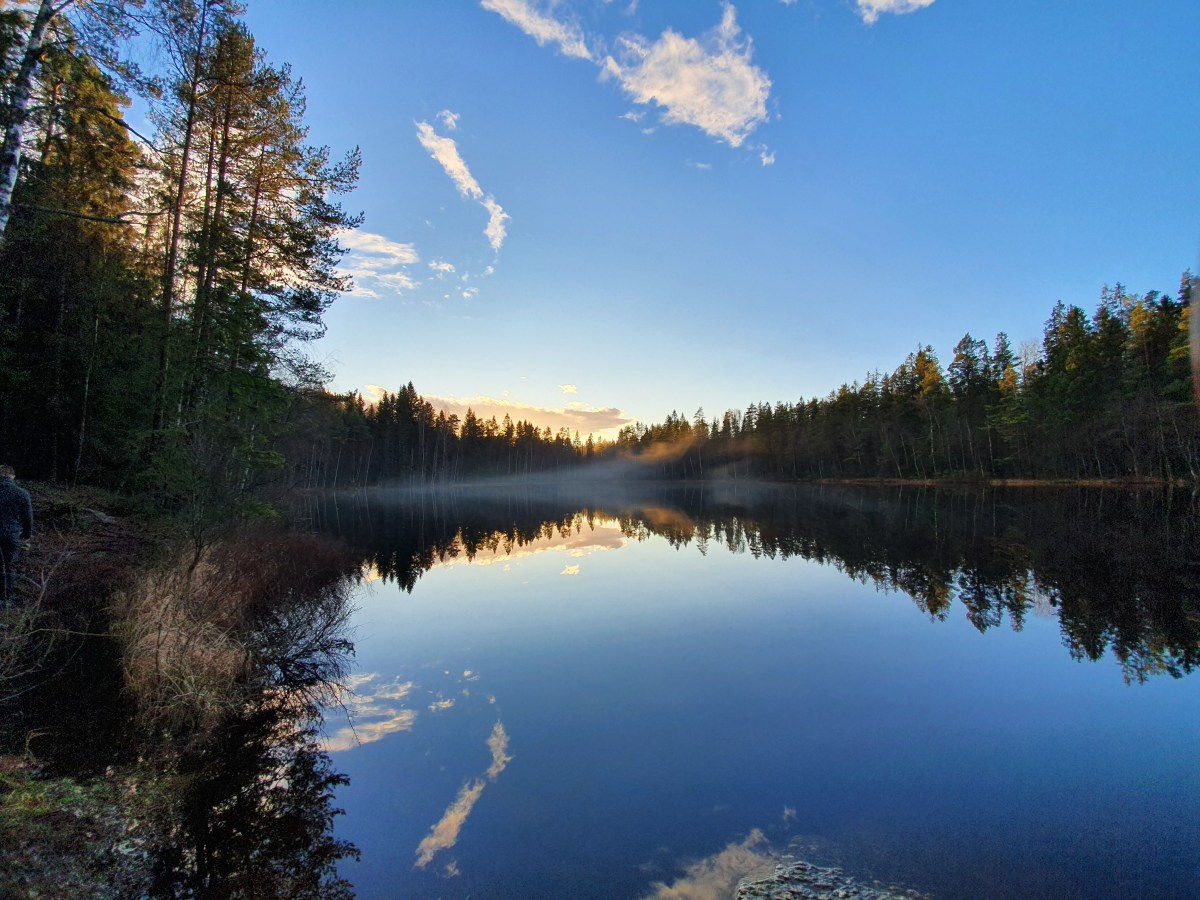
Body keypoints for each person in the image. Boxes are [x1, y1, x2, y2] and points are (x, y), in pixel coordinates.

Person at [0, 465, 33, 606]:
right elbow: (28, 518)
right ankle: (6, 599)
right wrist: (27, 534)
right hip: (11, 535)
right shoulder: (21, 493)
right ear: (12, 476)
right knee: (9, 566)